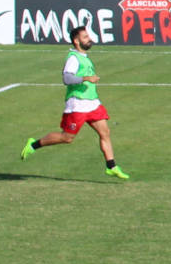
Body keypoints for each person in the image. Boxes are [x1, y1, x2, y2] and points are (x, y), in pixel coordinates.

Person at [20, 24, 129, 180]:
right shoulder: (73, 58)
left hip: (92, 103)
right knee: (67, 138)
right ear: (76, 41)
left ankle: (111, 166)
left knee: (105, 132)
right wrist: (86, 78)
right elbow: (67, 78)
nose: (89, 39)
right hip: (77, 104)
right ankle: (33, 144)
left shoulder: (84, 57)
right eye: (85, 37)